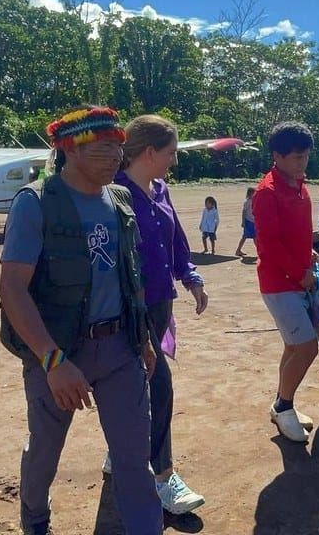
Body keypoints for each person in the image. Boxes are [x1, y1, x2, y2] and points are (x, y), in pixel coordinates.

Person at [0, 106, 162, 535]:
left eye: (119, 148)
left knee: (133, 457)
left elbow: (130, 276)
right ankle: (35, 519)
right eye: (104, 148)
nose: (116, 157)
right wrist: (52, 361)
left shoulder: (120, 199)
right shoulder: (36, 203)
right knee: (46, 451)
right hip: (57, 350)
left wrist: (144, 339)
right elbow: (12, 289)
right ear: (70, 149)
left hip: (120, 348)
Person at [113, 114, 207, 515]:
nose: (174, 160)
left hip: (159, 303)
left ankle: (120, 448)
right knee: (159, 385)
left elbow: (176, 240)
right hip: (129, 307)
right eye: (171, 152)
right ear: (149, 152)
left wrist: (190, 276)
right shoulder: (114, 193)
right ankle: (162, 477)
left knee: (137, 384)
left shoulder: (161, 189)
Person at [252, 122, 318, 443]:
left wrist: (309, 253)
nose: (302, 162)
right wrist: (299, 273)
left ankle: (282, 404)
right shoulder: (267, 193)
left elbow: (296, 232)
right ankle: (284, 406)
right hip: (280, 283)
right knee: (306, 348)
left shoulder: (300, 185)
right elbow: (269, 244)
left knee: (293, 347)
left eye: (305, 156)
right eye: (296, 157)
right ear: (277, 156)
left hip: (299, 277)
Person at [235, 187, 257, 257]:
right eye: (254, 193)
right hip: (248, 221)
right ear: (250, 194)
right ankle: (238, 250)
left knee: (254, 237)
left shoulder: (254, 201)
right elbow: (244, 212)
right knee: (247, 236)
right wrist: (243, 221)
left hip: (253, 222)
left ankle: (238, 250)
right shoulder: (247, 202)